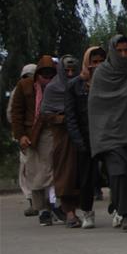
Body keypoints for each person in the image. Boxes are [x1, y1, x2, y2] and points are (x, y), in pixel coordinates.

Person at [89, 35, 127, 232]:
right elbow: (96, 105)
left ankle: (126, 211)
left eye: (126, 50)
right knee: (118, 173)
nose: (123, 54)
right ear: (112, 51)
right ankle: (125, 215)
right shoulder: (102, 74)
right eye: (119, 51)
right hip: (110, 135)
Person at [10, 56, 57, 226]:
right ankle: (43, 209)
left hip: (50, 132)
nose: (47, 79)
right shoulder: (24, 86)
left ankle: (54, 204)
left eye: (51, 75)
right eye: (44, 75)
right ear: (37, 74)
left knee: (51, 169)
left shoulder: (57, 87)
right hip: (30, 135)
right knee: (35, 173)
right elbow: (16, 113)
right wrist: (21, 135)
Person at [65, 46, 106, 229]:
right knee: (86, 179)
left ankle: (119, 211)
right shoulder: (75, 85)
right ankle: (88, 212)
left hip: (106, 135)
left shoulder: (110, 81)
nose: (96, 66)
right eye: (93, 61)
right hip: (85, 138)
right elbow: (71, 116)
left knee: (113, 173)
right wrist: (78, 141)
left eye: (100, 61)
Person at [40, 55, 83, 227]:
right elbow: (46, 114)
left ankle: (82, 210)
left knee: (81, 175)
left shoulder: (81, 86)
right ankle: (69, 212)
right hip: (62, 138)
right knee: (65, 174)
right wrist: (62, 119)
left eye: (74, 70)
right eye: (67, 71)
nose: (71, 74)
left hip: (81, 136)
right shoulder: (53, 88)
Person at [7, 63, 38, 216]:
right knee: (27, 170)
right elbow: (12, 114)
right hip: (24, 137)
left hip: (41, 134)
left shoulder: (42, 89)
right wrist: (19, 134)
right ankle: (33, 201)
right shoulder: (17, 91)